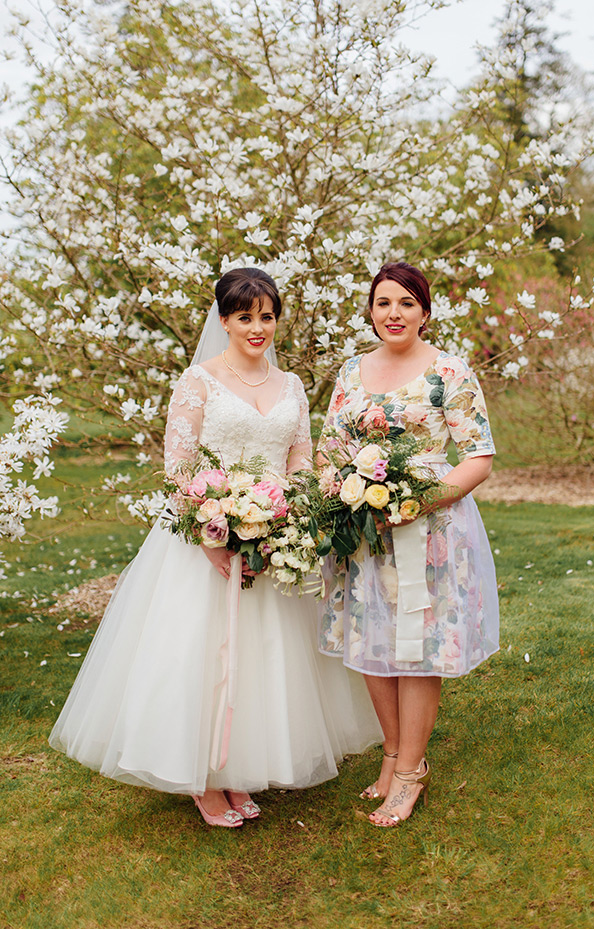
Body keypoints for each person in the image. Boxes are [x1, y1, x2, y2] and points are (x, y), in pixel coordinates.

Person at [50, 268, 380, 828]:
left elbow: (299, 457)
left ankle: (237, 770)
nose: (258, 328)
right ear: (224, 319)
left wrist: (285, 518)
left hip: (270, 538)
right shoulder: (198, 381)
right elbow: (178, 470)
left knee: (263, 655)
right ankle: (201, 780)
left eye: (267, 317)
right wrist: (212, 535)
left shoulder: (292, 386)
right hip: (200, 540)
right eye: (245, 317)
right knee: (199, 655)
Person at [317, 261, 499, 827]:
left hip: (431, 530)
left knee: (417, 647)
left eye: (406, 304)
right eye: (383, 303)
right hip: (364, 532)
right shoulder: (350, 372)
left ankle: (412, 772)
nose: (393, 314)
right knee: (373, 642)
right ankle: (392, 755)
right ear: (371, 311)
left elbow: (479, 456)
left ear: (424, 312)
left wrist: (419, 501)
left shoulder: (449, 371)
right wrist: (342, 487)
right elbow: (328, 447)